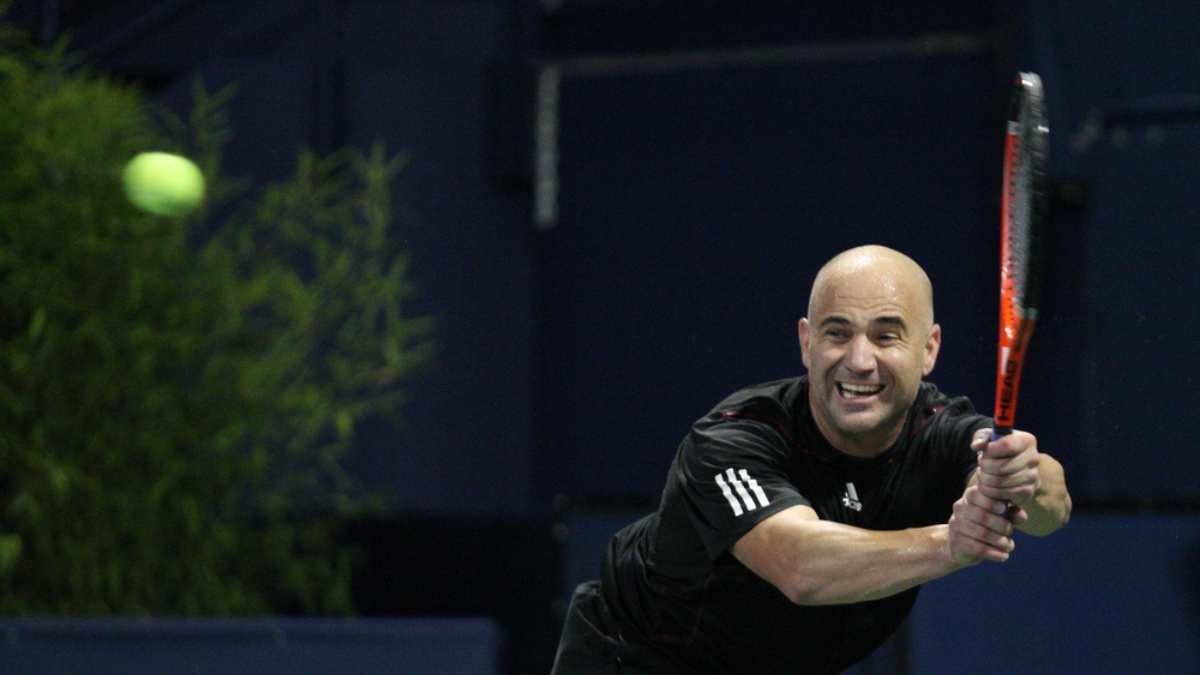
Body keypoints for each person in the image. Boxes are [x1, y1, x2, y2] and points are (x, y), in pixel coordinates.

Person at [550, 245, 1072, 675]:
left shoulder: (939, 431)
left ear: (928, 349)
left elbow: (1051, 508)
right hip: (636, 660)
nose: (859, 360)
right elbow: (799, 567)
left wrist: (1023, 477)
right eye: (837, 333)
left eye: (887, 335)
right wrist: (953, 544)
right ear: (806, 342)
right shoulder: (735, 439)